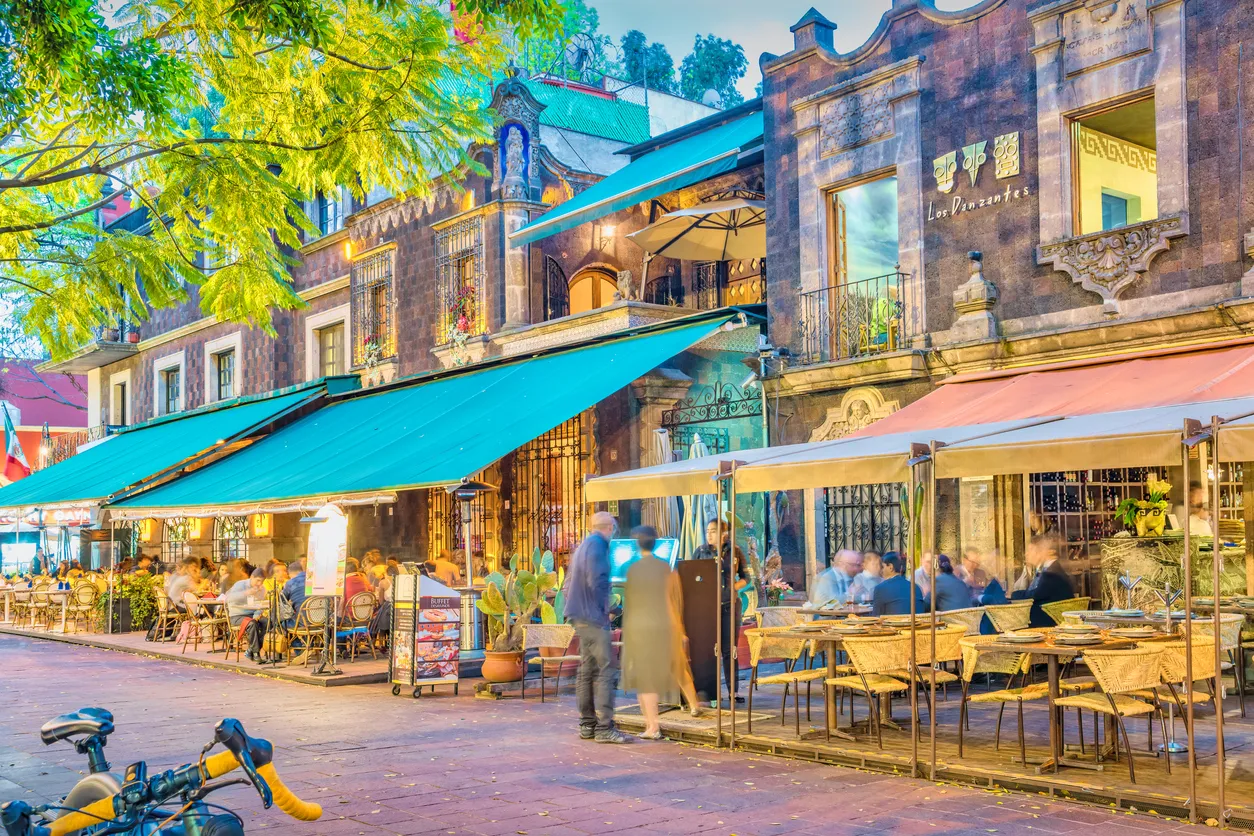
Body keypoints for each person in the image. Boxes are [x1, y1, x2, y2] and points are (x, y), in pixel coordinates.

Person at [621, 526, 702, 739]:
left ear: (637, 544)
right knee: (677, 665)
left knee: (646, 677)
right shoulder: (666, 568)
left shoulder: (634, 570)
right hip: (667, 625)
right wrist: (680, 629)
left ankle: (652, 725)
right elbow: (675, 601)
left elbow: (632, 606)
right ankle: (694, 704)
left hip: (643, 628)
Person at [564, 511, 631, 744]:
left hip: (579, 614)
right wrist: (605, 610)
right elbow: (599, 580)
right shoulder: (599, 546)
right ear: (610, 528)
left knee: (586, 669)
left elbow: (570, 581)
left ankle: (587, 725)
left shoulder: (584, 545)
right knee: (607, 668)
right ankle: (604, 727)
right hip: (592, 616)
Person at [694, 518, 749, 702]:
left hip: (729, 605)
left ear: (723, 533)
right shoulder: (701, 552)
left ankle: (733, 692)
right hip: (707, 607)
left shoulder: (735, 551)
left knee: (728, 649)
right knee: (708, 649)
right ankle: (709, 692)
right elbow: (691, 576)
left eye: (713, 531)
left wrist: (732, 587)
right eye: (707, 530)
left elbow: (746, 578)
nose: (709, 534)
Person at [1012, 534, 1075, 628]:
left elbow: (1034, 595)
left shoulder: (1052, 573)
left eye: (1030, 550)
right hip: (1045, 617)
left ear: (1042, 551)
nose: (1027, 554)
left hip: (1047, 622)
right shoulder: (1048, 569)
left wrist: (1013, 595)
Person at [281, 559, 307, 628]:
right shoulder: (314, 579)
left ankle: (296, 639)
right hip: (322, 623)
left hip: (302, 623)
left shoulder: (290, 583)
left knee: (282, 623)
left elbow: (281, 601)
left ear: (290, 573)